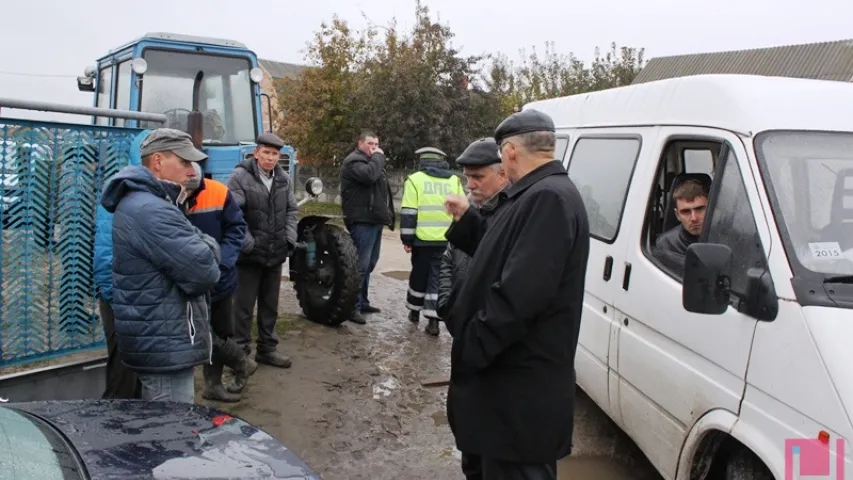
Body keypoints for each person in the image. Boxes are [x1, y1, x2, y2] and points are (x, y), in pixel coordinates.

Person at [442, 109, 591, 479]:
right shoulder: (532, 194)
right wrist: (469, 223)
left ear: (509, 152)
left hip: (518, 398)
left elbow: (519, 297)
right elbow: (502, 253)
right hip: (505, 395)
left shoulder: (548, 199)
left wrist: (470, 346)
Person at [100, 128, 221, 403]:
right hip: (164, 344)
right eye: (185, 162)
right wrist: (209, 245)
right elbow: (205, 271)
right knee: (171, 436)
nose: (192, 171)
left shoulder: (154, 202)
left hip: (163, 337)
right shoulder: (150, 209)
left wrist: (201, 243)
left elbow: (197, 247)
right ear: (157, 161)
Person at [182, 162, 253, 401]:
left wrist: (222, 263)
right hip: (186, 283)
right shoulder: (166, 193)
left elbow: (237, 229)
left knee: (220, 332)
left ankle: (213, 384)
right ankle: (242, 362)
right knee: (199, 333)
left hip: (220, 280)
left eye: (189, 192)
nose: (185, 196)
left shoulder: (218, 191)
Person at [227, 132, 297, 369]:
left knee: (270, 306)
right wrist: (248, 243)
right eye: (266, 153)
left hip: (275, 253)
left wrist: (288, 239)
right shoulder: (239, 177)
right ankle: (240, 354)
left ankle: (267, 350)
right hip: (249, 257)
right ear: (256, 153)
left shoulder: (283, 179)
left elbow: (291, 211)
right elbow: (233, 215)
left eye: (275, 154)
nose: (270, 158)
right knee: (243, 309)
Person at [93, 129, 150, 400]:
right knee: (123, 368)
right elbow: (105, 252)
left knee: (140, 366)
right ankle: (112, 425)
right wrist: (116, 297)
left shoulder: (158, 193)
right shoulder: (120, 190)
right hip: (120, 296)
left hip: (140, 297)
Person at [436, 138, 509, 323]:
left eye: (477, 177)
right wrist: (446, 302)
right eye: (467, 177)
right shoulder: (469, 206)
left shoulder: (511, 215)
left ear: (502, 174)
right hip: (460, 319)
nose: (469, 185)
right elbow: (448, 257)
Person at [400, 146, 464, 336]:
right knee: (438, 279)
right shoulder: (455, 180)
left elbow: (409, 213)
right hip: (446, 240)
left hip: (422, 239)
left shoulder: (415, 180)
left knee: (419, 274)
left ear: (422, 161)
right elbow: (461, 212)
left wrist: (407, 239)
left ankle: (414, 311)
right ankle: (434, 322)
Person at [339, 131, 395, 324]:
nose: (374, 146)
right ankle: (351, 307)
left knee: (370, 263)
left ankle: (362, 301)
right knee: (360, 266)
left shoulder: (372, 163)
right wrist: (379, 156)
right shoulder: (354, 161)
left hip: (374, 219)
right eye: (370, 143)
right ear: (360, 143)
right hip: (362, 219)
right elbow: (370, 176)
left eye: (377, 143)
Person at [655, 178, 709, 255]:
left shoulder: (726, 237)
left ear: (711, 209)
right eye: (686, 212)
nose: (694, 218)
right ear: (677, 215)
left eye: (699, 209)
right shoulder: (668, 244)